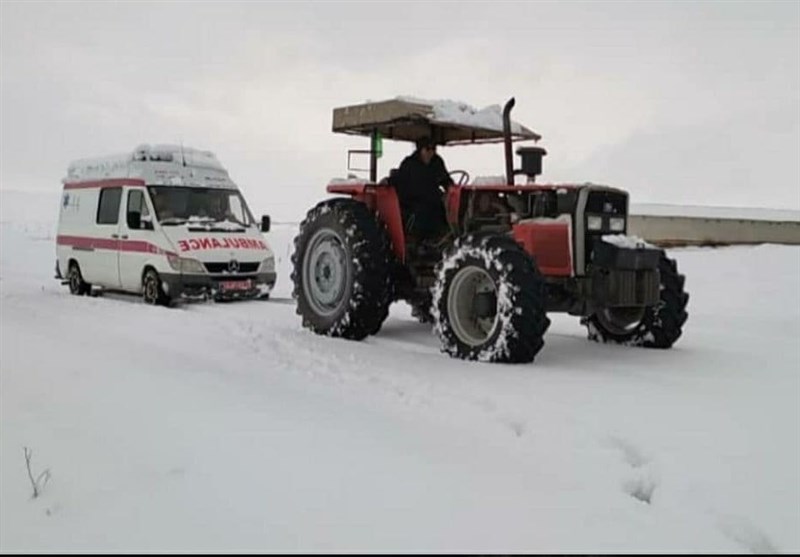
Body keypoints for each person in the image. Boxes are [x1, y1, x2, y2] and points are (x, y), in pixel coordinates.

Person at [389, 136, 454, 243]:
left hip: (433, 200)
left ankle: (444, 239)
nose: (431, 152)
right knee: (423, 212)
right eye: (427, 149)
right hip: (412, 202)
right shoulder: (409, 164)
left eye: (433, 149)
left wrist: (450, 187)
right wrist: (388, 181)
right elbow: (398, 181)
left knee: (443, 210)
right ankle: (418, 241)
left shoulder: (437, 162)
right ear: (420, 150)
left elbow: (444, 178)